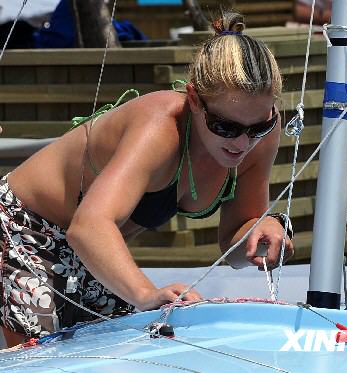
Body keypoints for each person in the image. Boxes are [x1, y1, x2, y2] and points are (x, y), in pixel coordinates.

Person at [0, 11, 294, 347]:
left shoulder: (262, 137)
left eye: (259, 127)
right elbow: (88, 226)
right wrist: (145, 293)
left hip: (88, 248)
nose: (243, 142)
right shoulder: (159, 127)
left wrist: (261, 229)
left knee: (120, 356)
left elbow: (234, 247)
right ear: (195, 100)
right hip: (22, 228)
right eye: (225, 127)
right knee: (45, 359)